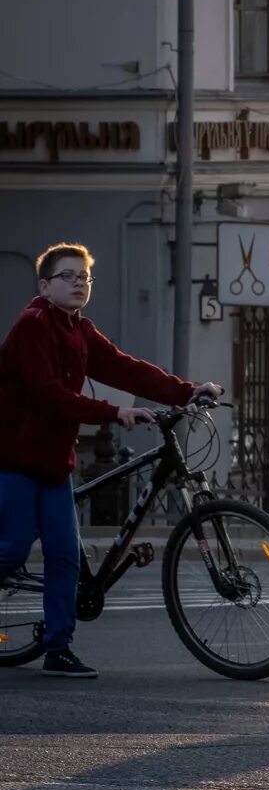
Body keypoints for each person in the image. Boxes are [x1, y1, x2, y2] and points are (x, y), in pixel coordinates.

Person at [0, 243, 223, 679]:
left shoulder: (80, 330)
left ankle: (58, 650)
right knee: (11, 548)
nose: (80, 282)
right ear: (44, 286)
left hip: (53, 463)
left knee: (65, 555)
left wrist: (187, 390)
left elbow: (125, 368)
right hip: (14, 458)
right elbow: (48, 395)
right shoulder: (33, 325)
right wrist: (114, 412)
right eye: (68, 276)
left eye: (85, 276)